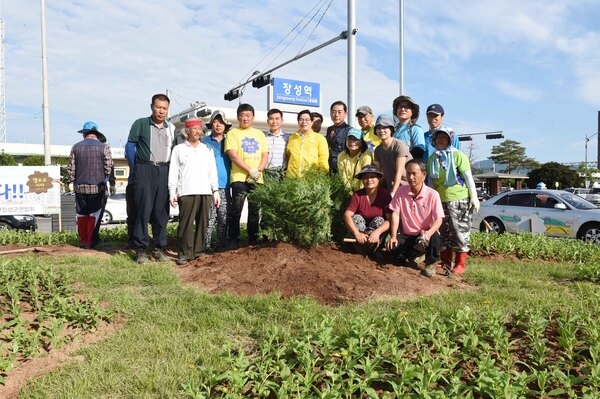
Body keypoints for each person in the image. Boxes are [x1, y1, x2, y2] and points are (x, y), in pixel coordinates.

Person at [125, 93, 176, 264]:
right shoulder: (140, 124)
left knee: (161, 212)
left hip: (164, 170)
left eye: (164, 108)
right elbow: (130, 147)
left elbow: (175, 152)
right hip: (145, 168)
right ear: (152, 107)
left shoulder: (172, 128)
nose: (161, 111)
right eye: (158, 107)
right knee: (143, 209)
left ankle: (159, 248)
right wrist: (136, 168)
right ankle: (141, 249)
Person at [427, 126, 480, 275]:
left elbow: (468, 177)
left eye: (444, 137)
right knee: (443, 232)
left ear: (450, 139)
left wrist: (474, 197)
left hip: (459, 199)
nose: (441, 140)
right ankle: (444, 261)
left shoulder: (458, 155)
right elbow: (431, 181)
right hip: (441, 200)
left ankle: (460, 263)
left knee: (459, 231)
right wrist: (432, 198)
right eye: (438, 138)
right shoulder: (432, 158)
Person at [168, 118, 220, 266]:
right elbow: (173, 172)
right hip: (186, 191)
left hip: (205, 191)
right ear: (187, 131)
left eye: (200, 129)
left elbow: (212, 171)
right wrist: (172, 192)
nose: (198, 131)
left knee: (203, 223)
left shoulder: (207, 150)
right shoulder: (179, 149)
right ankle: (184, 253)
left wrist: (215, 190)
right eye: (194, 128)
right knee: (186, 224)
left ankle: (198, 251)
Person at [387, 159, 444, 277]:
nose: (411, 177)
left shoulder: (433, 194)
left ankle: (430, 263)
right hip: (408, 234)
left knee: (435, 237)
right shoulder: (401, 191)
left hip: (425, 234)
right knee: (394, 251)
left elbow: (439, 219)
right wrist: (393, 236)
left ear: (424, 175)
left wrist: (428, 233)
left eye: (414, 174)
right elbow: (395, 214)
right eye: (408, 173)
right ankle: (415, 255)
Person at [224, 103, 269, 248]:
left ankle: (253, 237)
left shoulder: (259, 134)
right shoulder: (233, 133)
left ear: (253, 117)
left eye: (248, 115)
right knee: (237, 207)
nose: (245, 118)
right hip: (239, 177)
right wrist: (250, 170)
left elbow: (265, 155)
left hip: (257, 178)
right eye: (242, 115)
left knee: (255, 209)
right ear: (238, 117)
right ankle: (233, 238)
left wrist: (258, 172)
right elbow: (233, 156)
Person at [67, 121, 114, 249]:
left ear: (84, 134)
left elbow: (71, 168)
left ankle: (82, 240)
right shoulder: (104, 147)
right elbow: (108, 167)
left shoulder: (75, 147)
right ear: (96, 134)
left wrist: (71, 182)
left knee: (82, 214)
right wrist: (106, 181)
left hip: (80, 187)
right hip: (97, 188)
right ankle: (90, 242)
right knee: (94, 214)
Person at [343, 165, 391, 255]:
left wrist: (376, 232)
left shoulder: (385, 195)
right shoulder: (357, 195)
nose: (369, 180)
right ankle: (359, 244)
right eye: (365, 177)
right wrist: (357, 233)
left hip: (375, 235)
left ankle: (373, 247)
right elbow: (347, 215)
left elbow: (390, 220)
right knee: (356, 217)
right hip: (360, 234)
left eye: (372, 177)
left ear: (378, 179)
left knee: (380, 220)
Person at [203, 110, 233, 253]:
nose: (218, 124)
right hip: (208, 186)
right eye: (215, 121)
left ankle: (220, 245)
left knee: (224, 217)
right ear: (211, 124)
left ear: (225, 125)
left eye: (221, 122)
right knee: (209, 218)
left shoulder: (230, 141)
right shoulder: (204, 142)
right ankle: (206, 246)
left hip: (226, 185)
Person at [373, 114, 412, 199]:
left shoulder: (399, 145)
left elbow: (400, 171)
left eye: (385, 127)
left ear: (391, 130)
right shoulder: (377, 150)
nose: (381, 130)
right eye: (379, 128)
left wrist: (393, 193)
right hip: (388, 187)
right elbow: (378, 173)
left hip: (406, 187)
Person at [285, 109, 329, 178]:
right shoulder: (292, 138)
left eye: (307, 120)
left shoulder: (320, 138)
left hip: (311, 178)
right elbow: (288, 156)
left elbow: (323, 159)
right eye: (301, 119)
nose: (304, 122)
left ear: (311, 122)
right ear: (298, 122)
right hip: (292, 179)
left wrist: (322, 176)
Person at [337, 127, 373, 193]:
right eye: (349, 139)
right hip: (347, 191)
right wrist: (349, 192)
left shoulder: (366, 155)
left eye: (355, 139)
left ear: (362, 142)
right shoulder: (341, 156)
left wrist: (358, 195)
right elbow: (343, 177)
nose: (352, 142)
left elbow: (364, 177)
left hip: (364, 191)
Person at [392, 95, 426, 160]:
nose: (402, 109)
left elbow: (419, 151)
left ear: (412, 111)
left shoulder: (415, 129)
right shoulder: (394, 131)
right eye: (400, 107)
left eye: (406, 107)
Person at [326, 101, 352, 173]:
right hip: (329, 169)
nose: (336, 115)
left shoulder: (349, 130)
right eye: (333, 112)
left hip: (342, 169)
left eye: (339, 112)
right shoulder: (329, 129)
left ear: (345, 114)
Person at [264, 108, 289, 181]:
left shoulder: (287, 138)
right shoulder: (263, 137)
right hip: (266, 173)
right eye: (271, 119)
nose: (274, 121)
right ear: (268, 121)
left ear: (282, 121)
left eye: (277, 119)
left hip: (282, 173)